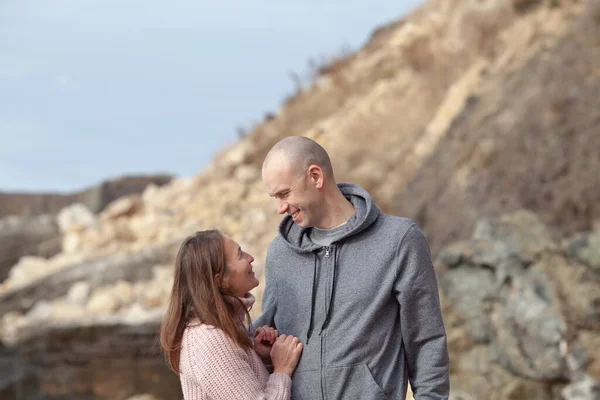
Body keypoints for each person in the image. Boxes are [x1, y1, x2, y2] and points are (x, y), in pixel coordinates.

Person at [253, 136, 450, 399]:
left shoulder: (397, 240)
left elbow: (426, 342)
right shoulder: (280, 252)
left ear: (315, 177)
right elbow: (270, 348)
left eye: (284, 194)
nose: (280, 208)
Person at [160, 229, 303, 400]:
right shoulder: (210, 340)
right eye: (240, 255)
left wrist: (263, 359)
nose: (250, 258)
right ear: (220, 280)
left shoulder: (224, 326)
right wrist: (282, 369)